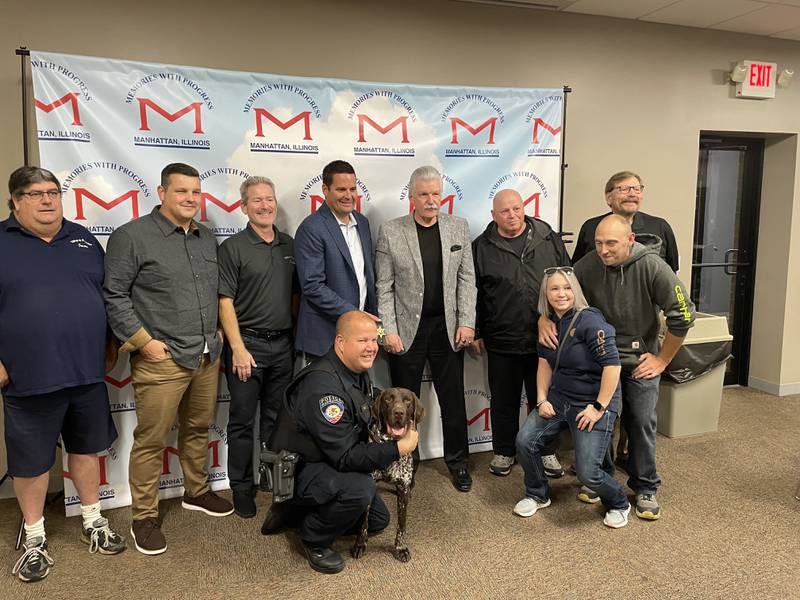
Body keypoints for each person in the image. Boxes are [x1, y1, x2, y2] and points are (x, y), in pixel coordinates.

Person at [1, 166, 125, 582]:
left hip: (86, 372)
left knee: (87, 450)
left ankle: (93, 520)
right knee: (31, 462)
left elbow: (106, 296)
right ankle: (35, 537)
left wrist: (109, 343)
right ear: (15, 201)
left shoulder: (85, 239)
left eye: (53, 192)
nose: (47, 200)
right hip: (27, 376)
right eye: (35, 194)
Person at [104, 163, 233, 556]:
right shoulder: (132, 237)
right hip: (161, 359)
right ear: (161, 193)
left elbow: (213, 294)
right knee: (151, 440)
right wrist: (145, 343)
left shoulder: (206, 238)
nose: (191, 199)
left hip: (206, 355)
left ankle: (196, 492)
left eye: (196, 192)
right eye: (182, 191)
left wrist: (220, 335)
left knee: (197, 427)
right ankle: (144, 516)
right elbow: (114, 295)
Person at [541, 215, 696, 520]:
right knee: (601, 423)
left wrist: (662, 359)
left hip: (639, 362)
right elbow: (561, 296)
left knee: (639, 423)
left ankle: (646, 486)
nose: (603, 250)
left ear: (630, 239)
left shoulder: (652, 266)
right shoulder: (586, 266)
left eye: (610, 243)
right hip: (598, 361)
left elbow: (683, 314)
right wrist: (543, 318)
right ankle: (601, 478)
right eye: (598, 243)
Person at [263, 311, 419, 574]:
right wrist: (398, 448)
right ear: (340, 343)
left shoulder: (353, 370)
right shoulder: (323, 387)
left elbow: (366, 402)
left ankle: (294, 513)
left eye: (374, 339)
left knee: (379, 520)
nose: (372, 347)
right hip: (302, 468)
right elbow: (346, 457)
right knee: (360, 491)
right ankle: (312, 537)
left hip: (327, 459)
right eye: (363, 341)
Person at [375, 165, 476, 492]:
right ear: (412, 197)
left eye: (436, 194)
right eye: (424, 194)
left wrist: (467, 322)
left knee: (453, 400)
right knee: (402, 404)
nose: (431, 201)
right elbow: (384, 287)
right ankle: (407, 462)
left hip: (448, 329)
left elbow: (467, 280)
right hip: (406, 331)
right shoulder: (391, 231)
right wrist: (388, 330)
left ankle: (458, 463)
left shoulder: (458, 228)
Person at [514, 267, 631, 528]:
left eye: (567, 288)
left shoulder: (590, 321)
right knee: (524, 442)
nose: (561, 294)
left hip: (592, 403)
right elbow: (544, 363)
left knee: (589, 474)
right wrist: (542, 399)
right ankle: (537, 493)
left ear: (575, 290)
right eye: (554, 288)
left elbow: (613, 367)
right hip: (559, 398)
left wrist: (598, 408)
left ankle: (619, 503)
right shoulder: (548, 323)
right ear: (546, 292)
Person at [471, 188, 571, 478]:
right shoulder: (482, 246)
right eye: (505, 211)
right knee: (503, 399)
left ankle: (547, 450)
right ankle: (504, 451)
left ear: (524, 208)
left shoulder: (547, 237)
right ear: (493, 215)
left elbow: (566, 280)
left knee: (544, 399)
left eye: (516, 208)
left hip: (545, 337)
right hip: (501, 338)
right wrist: (476, 329)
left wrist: (553, 319)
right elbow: (473, 292)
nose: (512, 215)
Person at [218, 176, 298, 518]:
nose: (265, 206)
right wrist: (237, 348)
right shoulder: (232, 248)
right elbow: (225, 301)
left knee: (276, 418)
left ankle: (270, 476)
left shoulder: (289, 245)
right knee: (241, 420)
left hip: (282, 345)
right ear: (243, 206)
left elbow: (295, 296)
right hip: (246, 345)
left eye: (270, 199)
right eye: (257, 201)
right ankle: (241, 486)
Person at [294, 160, 377, 361]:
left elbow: (367, 279)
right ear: (325, 189)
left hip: (360, 338)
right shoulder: (311, 228)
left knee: (357, 392)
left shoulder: (362, 223)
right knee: (326, 392)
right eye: (341, 189)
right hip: (325, 336)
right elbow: (313, 286)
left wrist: (377, 332)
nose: (348, 195)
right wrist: (356, 316)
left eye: (352, 189)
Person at [571, 171, 679, 272]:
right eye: (624, 189)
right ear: (609, 198)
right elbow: (577, 270)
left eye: (637, 189)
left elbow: (671, 270)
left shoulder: (660, 226)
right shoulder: (591, 227)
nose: (632, 194)